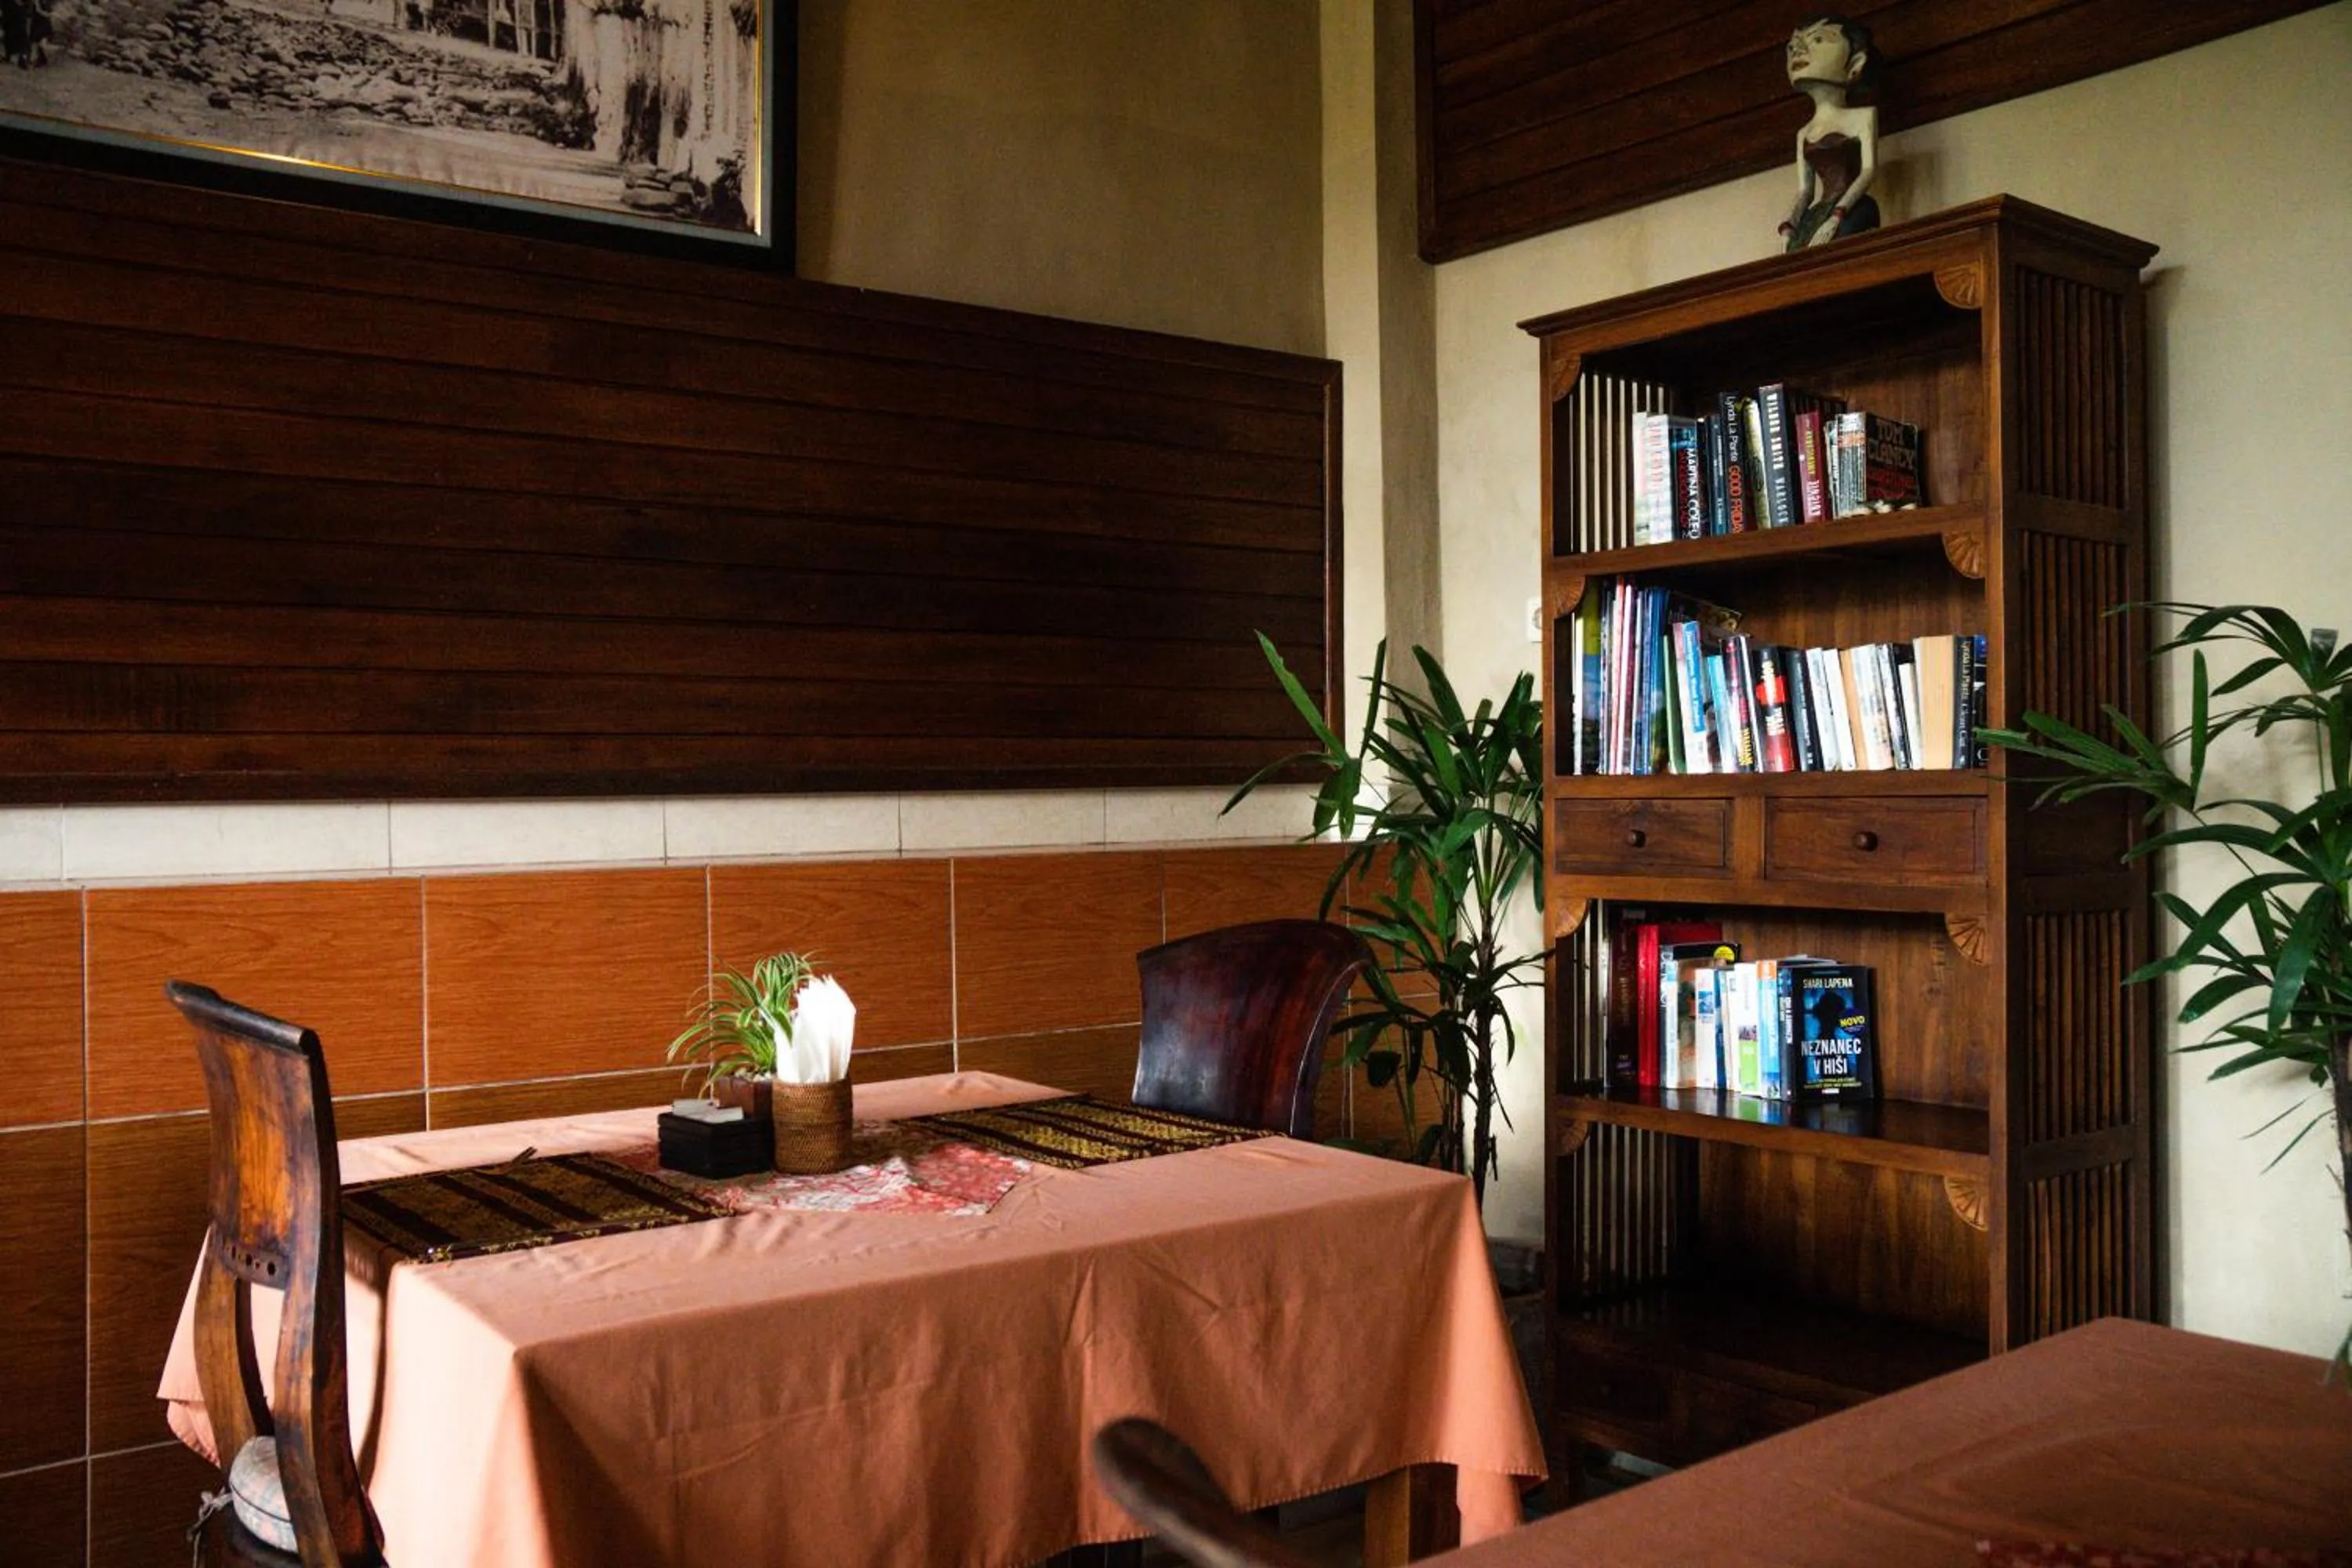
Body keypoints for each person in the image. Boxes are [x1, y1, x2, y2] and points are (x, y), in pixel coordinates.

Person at [1780, 15, 1881, 252]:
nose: (1799, 51)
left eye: (1818, 40)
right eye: (1792, 47)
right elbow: (1805, 191)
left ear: (1855, 64)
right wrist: (1789, 226)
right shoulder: (1804, 133)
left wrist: (1837, 215)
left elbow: (1868, 172)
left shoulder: (1863, 117)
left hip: (1852, 207)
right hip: (1819, 212)